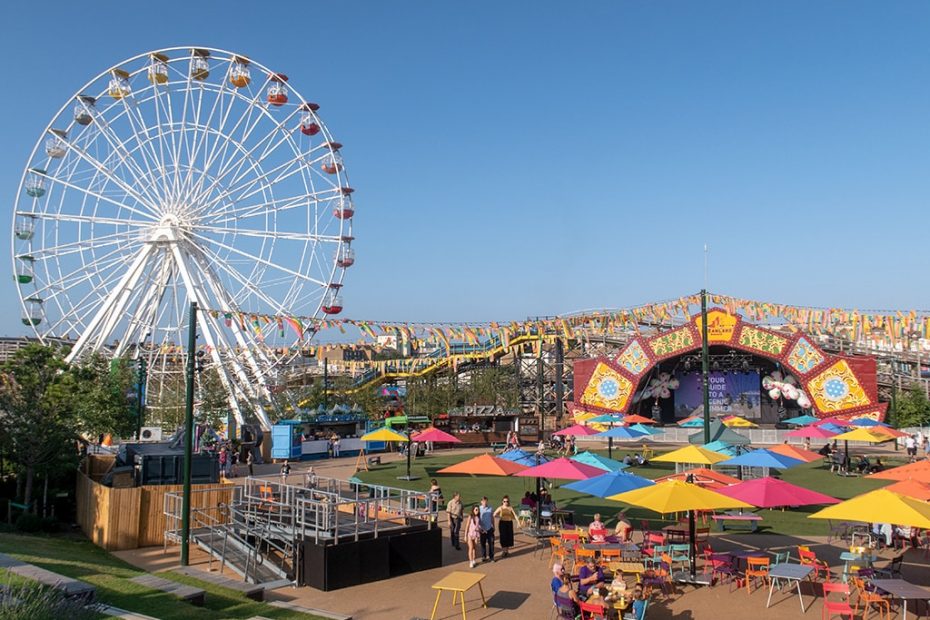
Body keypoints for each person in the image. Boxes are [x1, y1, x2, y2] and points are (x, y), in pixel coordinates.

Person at [478, 496, 496, 562]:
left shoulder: (490, 508)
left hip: (489, 529)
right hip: (482, 529)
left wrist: (493, 526)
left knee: (491, 543)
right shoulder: (479, 509)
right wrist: (478, 528)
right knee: (482, 543)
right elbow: (477, 518)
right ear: (481, 502)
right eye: (483, 501)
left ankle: (491, 557)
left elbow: (492, 518)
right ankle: (483, 556)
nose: (484, 502)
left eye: (486, 501)